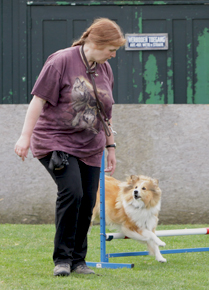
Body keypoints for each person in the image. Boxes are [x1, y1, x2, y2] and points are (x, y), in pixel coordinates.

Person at [14, 18, 126, 276]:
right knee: (72, 193)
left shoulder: (104, 69)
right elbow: (38, 101)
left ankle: (78, 261)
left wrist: (111, 146)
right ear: (95, 43)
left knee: (87, 201)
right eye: (111, 49)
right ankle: (62, 260)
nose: (113, 55)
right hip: (56, 141)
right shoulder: (61, 61)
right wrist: (24, 136)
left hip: (90, 145)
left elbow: (105, 113)